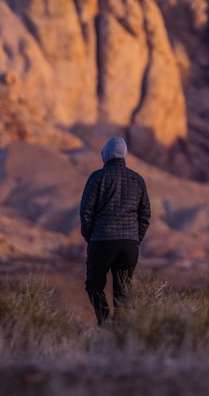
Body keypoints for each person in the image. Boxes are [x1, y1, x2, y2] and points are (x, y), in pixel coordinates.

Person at [79, 136, 151, 326]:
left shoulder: (97, 178)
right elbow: (145, 215)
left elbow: (85, 212)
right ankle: (123, 333)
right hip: (129, 245)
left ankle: (106, 325)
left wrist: (90, 237)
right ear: (124, 155)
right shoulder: (137, 179)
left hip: (102, 241)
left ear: (106, 154)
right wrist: (135, 238)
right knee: (123, 290)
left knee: (94, 285)